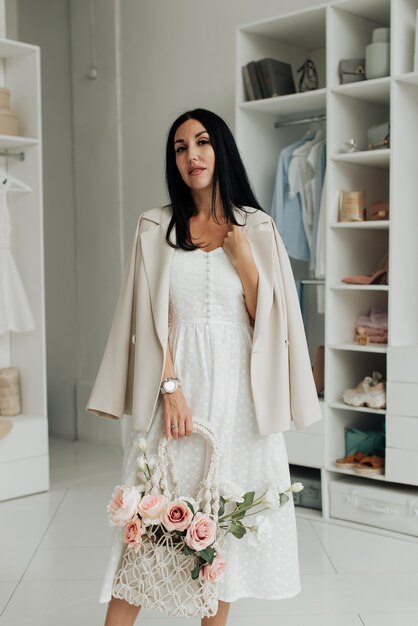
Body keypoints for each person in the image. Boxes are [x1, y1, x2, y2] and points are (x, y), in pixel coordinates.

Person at [86, 108, 322, 626]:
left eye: (202, 142)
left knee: (221, 536)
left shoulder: (256, 228)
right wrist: (170, 387)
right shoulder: (155, 227)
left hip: (241, 396)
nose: (191, 155)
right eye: (179, 147)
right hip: (180, 388)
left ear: (221, 150)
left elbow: (274, 323)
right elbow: (153, 319)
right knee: (146, 526)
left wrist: (242, 260)